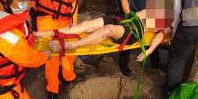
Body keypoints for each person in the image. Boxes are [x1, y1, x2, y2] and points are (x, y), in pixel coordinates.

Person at [39, 6, 171, 62]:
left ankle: (72, 46)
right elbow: (140, 13)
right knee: (85, 25)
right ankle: (47, 34)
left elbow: (160, 36)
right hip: (124, 19)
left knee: (108, 29)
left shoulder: (172, 23)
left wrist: (149, 51)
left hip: (134, 31)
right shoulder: (163, 8)